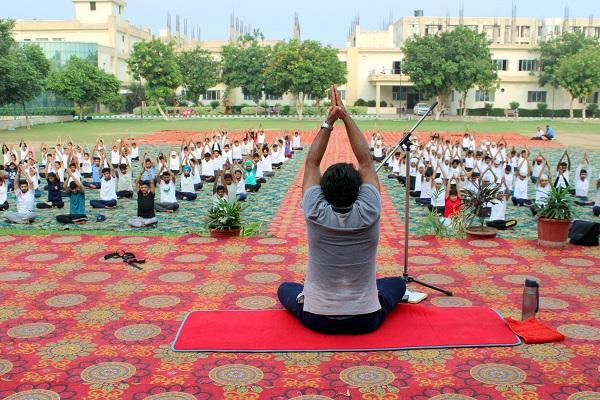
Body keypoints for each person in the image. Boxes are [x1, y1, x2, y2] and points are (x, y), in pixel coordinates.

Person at [277, 85, 406, 335]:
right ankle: (370, 293)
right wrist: (345, 116)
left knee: (285, 287)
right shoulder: (370, 209)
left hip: (317, 317)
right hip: (366, 319)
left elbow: (312, 163)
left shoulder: (315, 210)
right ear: (359, 190)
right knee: (398, 284)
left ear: (323, 192)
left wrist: (329, 121)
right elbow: (366, 161)